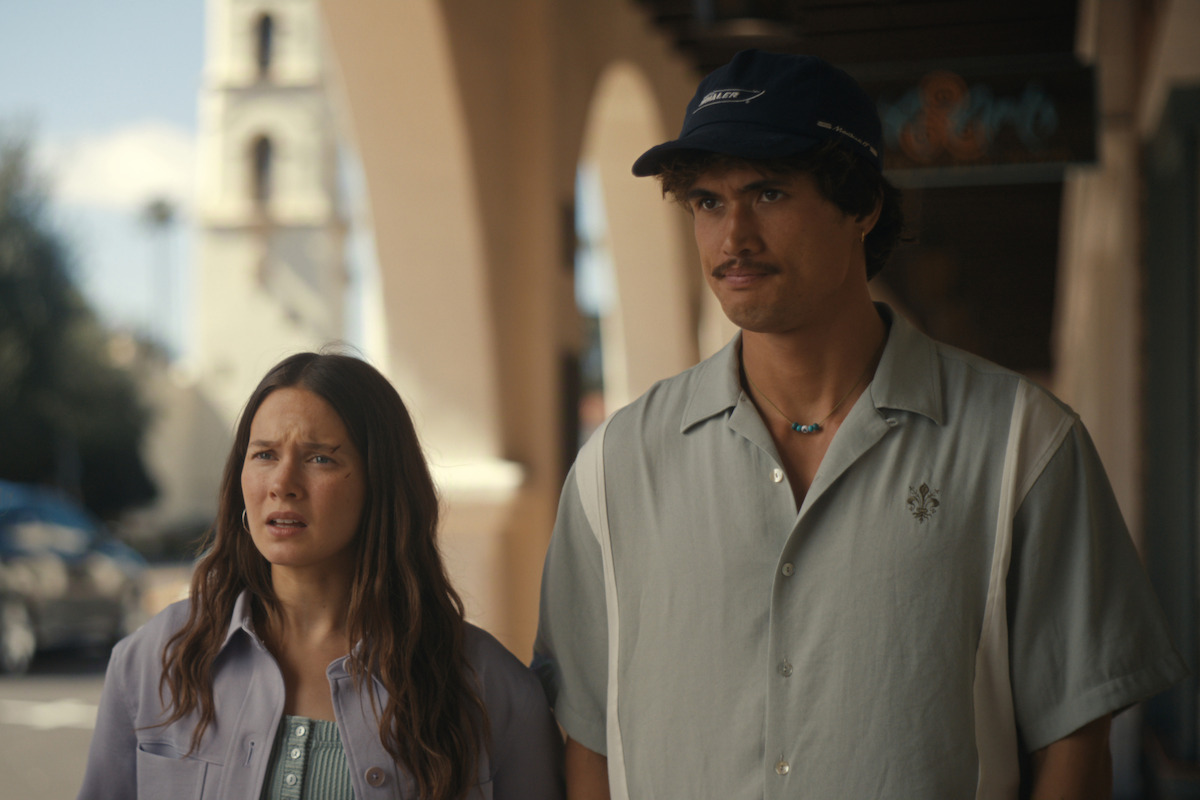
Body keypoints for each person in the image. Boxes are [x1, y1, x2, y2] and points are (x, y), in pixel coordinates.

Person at [533, 49, 1186, 800]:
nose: (732, 236)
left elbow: (1076, 744)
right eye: (707, 203)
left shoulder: (1023, 447)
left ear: (862, 207)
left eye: (769, 193)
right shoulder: (616, 466)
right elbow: (583, 736)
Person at [78, 352, 564, 800]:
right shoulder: (150, 662)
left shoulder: (490, 690)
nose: (282, 484)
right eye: (264, 454)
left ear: (382, 483)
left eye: (320, 458)